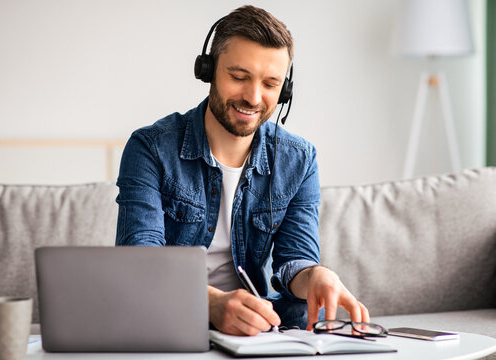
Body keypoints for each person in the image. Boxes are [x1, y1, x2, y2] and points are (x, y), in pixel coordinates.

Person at [115, 5, 369, 336]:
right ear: (208, 70)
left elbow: (295, 261)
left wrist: (316, 275)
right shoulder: (150, 148)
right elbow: (140, 262)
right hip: (165, 318)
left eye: (270, 84)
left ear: (285, 90)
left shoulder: (300, 160)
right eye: (239, 77)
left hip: (251, 327)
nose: (253, 97)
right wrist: (210, 304)